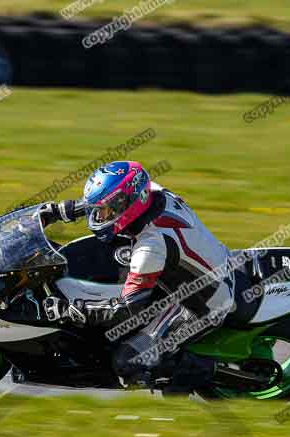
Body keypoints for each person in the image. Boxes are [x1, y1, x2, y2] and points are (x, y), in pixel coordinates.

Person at [38, 161, 235, 393]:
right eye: (98, 210)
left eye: (105, 211)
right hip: (199, 268)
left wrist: (73, 310)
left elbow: (127, 309)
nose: (99, 216)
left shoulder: (151, 246)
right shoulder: (152, 192)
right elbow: (110, 199)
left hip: (201, 303)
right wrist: (61, 211)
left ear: (129, 204)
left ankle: (196, 372)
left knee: (127, 361)